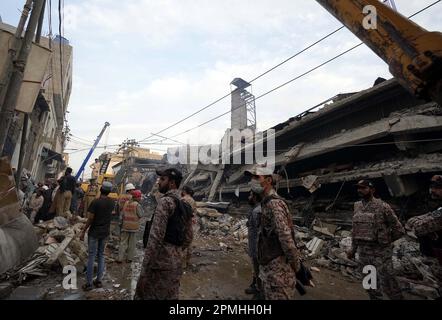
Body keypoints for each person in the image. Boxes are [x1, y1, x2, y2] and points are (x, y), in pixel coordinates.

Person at [134, 168, 193, 300]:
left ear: (171, 183)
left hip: (159, 267)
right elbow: (189, 237)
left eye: (162, 179)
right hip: (176, 264)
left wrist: (145, 268)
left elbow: (155, 238)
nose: (158, 182)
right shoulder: (185, 205)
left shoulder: (165, 202)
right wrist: (176, 251)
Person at [244, 165, 300, 300]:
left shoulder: (274, 204)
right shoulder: (265, 203)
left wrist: (296, 266)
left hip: (278, 272)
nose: (253, 180)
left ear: (269, 180)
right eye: (252, 177)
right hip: (269, 269)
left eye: (257, 177)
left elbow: (286, 237)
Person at [347, 179, 405, 300]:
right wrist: (353, 249)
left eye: (364, 188)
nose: (360, 190)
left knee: (388, 282)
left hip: (381, 253)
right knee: (370, 283)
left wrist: (385, 241)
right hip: (363, 252)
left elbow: (399, 229)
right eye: (358, 188)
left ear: (372, 190)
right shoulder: (356, 206)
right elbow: (355, 229)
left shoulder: (383, 206)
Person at [406, 175, 442, 291]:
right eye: (431, 186)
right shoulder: (439, 208)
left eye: (438, 187)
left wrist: (417, 222)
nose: (433, 190)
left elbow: (419, 228)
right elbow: (425, 217)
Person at [80, 181, 115, 291]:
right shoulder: (112, 203)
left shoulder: (95, 202)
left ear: (100, 190)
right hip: (104, 233)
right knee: (101, 255)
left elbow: (90, 219)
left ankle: (89, 283)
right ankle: (98, 281)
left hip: (94, 232)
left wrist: (83, 231)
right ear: (109, 192)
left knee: (91, 256)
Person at [117, 190, 144, 263]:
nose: (140, 198)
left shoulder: (126, 203)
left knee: (123, 243)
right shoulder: (137, 205)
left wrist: (120, 224)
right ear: (136, 197)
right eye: (139, 197)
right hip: (133, 228)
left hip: (125, 226)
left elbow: (122, 215)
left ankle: (120, 258)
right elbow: (141, 215)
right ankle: (129, 258)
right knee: (132, 243)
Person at [245, 191, 262, 298]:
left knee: (258, 267)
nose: (249, 197)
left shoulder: (257, 211)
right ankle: (255, 285)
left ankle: (259, 290)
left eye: (251, 195)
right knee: (256, 267)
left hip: (257, 246)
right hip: (254, 245)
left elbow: (260, 232)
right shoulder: (255, 209)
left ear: (255, 197)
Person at [181, 185, 196, 268]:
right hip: (189, 223)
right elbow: (194, 214)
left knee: (182, 243)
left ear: (184, 191)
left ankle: (181, 263)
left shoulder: (182, 200)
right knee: (189, 242)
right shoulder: (193, 200)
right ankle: (187, 262)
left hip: (182, 224)